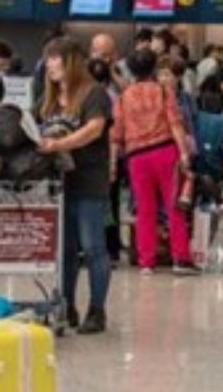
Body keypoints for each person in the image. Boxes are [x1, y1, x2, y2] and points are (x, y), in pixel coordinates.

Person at [37, 38, 114, 335]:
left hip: (89, 180)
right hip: (58, 184)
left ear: (71, 62)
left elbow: (94, 130)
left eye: (56, 59)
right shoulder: (49, 99)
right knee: (66, 250)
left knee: (93, 247)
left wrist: (59, 143)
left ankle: (97, 310)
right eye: (49, 60)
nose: (51, 66)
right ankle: (66, 305)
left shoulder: (94, 94)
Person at [112, 49, 196, 276]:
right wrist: (184, 153)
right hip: (164, 151)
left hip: (137, 157)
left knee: (145, 210)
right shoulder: (163, 90)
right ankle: (181, 259)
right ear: (153, 68)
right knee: (174, 207)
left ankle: (146, 261)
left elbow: (117, 132)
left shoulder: (124, 96)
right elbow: (175, 123)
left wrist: (112, 163)